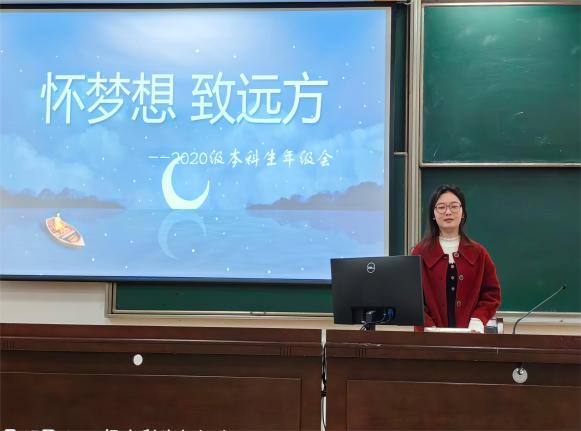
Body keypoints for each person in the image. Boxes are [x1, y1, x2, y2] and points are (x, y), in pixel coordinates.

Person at [411, 185, 500, 333]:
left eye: (454, 206)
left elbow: (492, 294)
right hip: (429, 339)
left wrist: (478, 320)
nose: (448, 212)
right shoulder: (419, 253)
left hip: (470, 338)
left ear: (462, 212)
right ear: (433, 214)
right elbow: (412, 298)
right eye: (441, 207)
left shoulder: (479, 253)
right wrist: (427, 327)